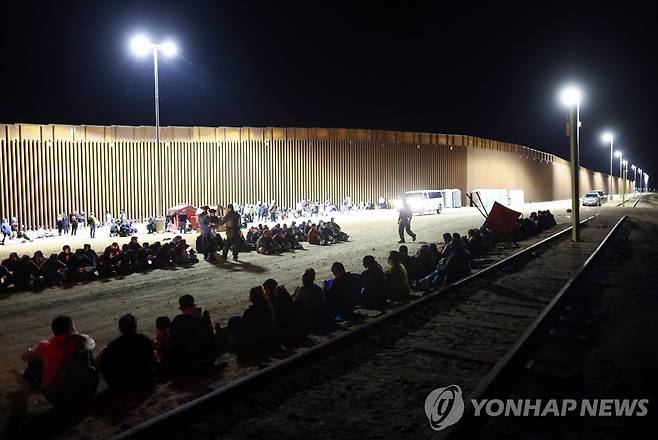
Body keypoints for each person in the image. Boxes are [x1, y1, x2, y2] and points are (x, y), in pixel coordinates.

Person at [21, 316, 98, 407]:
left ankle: (35, 383)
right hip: (86, 394)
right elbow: (92, 344)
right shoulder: (82, 340)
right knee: (86, 353)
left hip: (57, 399)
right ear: (71, 328)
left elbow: (24, 357)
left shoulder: (45, 345)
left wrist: (32, 351)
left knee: (36, 360)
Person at [96, 314, 156, 391]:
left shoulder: (113, 346)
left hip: (121, 385)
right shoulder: (144, 340)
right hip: (145, 379)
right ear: (135, 326)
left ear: (120, 329)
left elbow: (103, 368)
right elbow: (152, 359)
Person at [167, 294, 218, 371]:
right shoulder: (199, 321)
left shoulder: (175, 322)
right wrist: (206, 321)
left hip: (184, 362)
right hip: (202, 358)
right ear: (193, 306)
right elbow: (210, 339)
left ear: (181, 308)